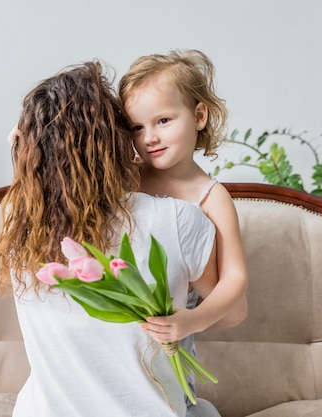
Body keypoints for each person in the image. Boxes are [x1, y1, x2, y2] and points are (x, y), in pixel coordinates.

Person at [0, 61, 221, 417]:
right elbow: (232, 308)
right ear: (116, 141)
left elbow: (43, 180)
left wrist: (31, 146)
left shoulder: (19, 224)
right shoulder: (179, 219)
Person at [118, 49, 248, 410]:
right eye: (137, 127)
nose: (149, 138)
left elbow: (235, 280)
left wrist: (192, 321)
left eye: (163, 120)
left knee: (169, 394)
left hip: (173, 327)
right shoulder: (127, 177)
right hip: (119, 325)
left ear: (199, 115)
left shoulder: (211, 197)